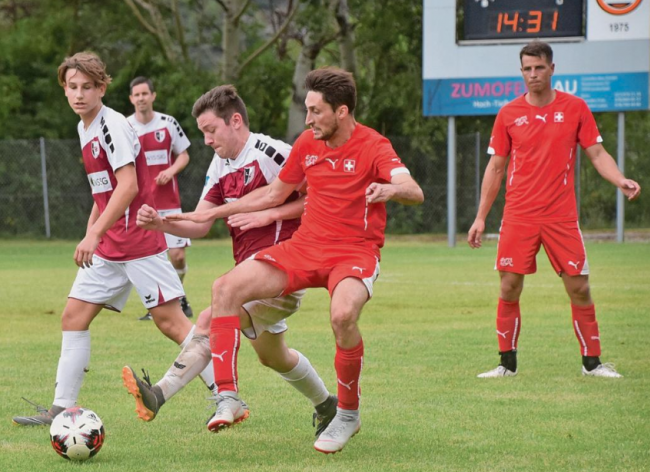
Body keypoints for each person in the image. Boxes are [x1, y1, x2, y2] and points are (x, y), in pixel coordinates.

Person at [165, 67, 424, 454]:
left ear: (342, 111)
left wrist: (389, 189)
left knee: (342, 317)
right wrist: (208, 215)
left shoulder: (374, 145)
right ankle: (229, 397)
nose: (308, 119)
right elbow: (273, 195)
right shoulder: (306, 143)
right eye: (307, 109)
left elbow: (414, 190)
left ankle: (347, 415)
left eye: (316, 111)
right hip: (305, 247)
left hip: (354, 250)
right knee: (225, 287)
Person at [12, 52, 215, 426]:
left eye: (87, 87)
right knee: (74, 317)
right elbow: (101, 193)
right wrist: (94, 234)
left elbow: (128, 187)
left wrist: (93, 234)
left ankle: (226, 397)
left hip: (138, 241)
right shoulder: (83, 127)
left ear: (102, 87)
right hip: (110, 246)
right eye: (71, 87)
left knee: (171, 323)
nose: (78, 94)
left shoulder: (113, 126)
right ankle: (61, 409)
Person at [127, 84, 337, 436]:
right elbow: (202, 222)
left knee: (212, 313)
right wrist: (162, 223)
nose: (206, 140)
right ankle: (327, 405)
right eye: (202, 133)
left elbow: (321, 197)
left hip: (284, 268)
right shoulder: (220, 164)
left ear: (235, 120)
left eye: (211, 130)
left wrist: (271, 215)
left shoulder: (272, 152)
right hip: (251, 276)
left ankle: (167, 393)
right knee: (273, 356)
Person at [467, 41, 641, 379]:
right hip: (519, 214)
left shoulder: (575, 108)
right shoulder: (508, 114)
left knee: (580, 288)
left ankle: (592, 364)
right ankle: (506, 364)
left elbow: (597, 154)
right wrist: (479, 216)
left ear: (552, 69)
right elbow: (496, 168)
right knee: (508, 287)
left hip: (561, 215)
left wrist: (620, 179)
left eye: (539, 67)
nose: (533, 74)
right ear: (521, 72)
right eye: (527, 69)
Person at [127, 76, 194, 320]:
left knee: (177, 255)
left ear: (153, 96)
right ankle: (158, 304)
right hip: (142, 204)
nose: (141, 98)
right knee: (150, 257)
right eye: (137, 95)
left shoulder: (168, 123)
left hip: (168, 201)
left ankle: (181, 295)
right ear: (131, 99)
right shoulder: (126, 126)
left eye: (145, 94)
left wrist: (170, 170)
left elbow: (184, 155)